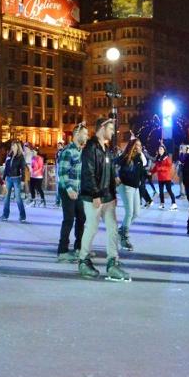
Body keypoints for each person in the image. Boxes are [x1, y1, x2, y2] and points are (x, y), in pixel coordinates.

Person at [77, 117, 130, 281]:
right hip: (94, 197)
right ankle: (83, 260)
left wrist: (113, 188)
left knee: (113, 229)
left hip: (108, 197)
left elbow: (108, 170)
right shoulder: (90, 148)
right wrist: (95, 194)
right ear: (102, 128)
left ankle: (112, 263)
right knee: (91, 228)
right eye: (111, 129)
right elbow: (88, 173)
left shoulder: (105, 149)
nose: (113, 132)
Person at [56, 123, 88, 262]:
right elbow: (62, 173)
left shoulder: (81, 151)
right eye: (85, 134)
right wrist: (69, 189)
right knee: (68, 219)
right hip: (68, 190)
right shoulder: (68, 151)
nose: (87, 136)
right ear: (77, 134)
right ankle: (62, 251)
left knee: (81, 218)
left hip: (79, 191)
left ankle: (79, 248)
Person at [114, 137, 145, 252]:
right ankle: (124, 237)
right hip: (126, 186)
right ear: (132, 146)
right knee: (129, 212)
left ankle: (121, 230)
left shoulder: (139, 157)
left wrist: (142, 179)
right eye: (137, 145)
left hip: (135, 187)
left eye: (140, 145)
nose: (139, 147)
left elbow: (142, 169)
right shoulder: (125, 157)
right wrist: (116, 177)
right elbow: (113, 164)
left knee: (136, 213)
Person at [0, 140, 27, 223]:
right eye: (12, 146)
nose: (13, 147)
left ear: (18, 147)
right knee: (6, 197)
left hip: (16, 179)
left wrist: (22, 180)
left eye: (14, 146)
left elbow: (23, 169)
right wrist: (3, 178)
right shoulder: (9, 155)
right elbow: (6, 168)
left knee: (18, 198)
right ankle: (5, 214)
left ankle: (22, 216)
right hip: (8, 178)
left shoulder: (20, 157)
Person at [150, 145, 177, 210]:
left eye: (161, 149)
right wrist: (151, 172)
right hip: (160, 178)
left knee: (169, 190)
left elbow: (168, 167)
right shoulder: (158, 158)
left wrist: (160, 168)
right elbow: (156, 167)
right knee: (161, 191)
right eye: (159, 149)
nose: (160, 150)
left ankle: (174, 204)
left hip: (166, 177)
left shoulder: (167, 158)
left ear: (164, 150)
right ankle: (162, 204)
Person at [54, 141, 65, 208]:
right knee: (58, 188)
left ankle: (59, 201)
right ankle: (58, 201)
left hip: (60, 171)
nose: (58, 147)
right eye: (57, 145)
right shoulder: (58, 152)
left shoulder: (61, 152)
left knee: (59, 188)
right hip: (58, 170)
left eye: (59, 145)